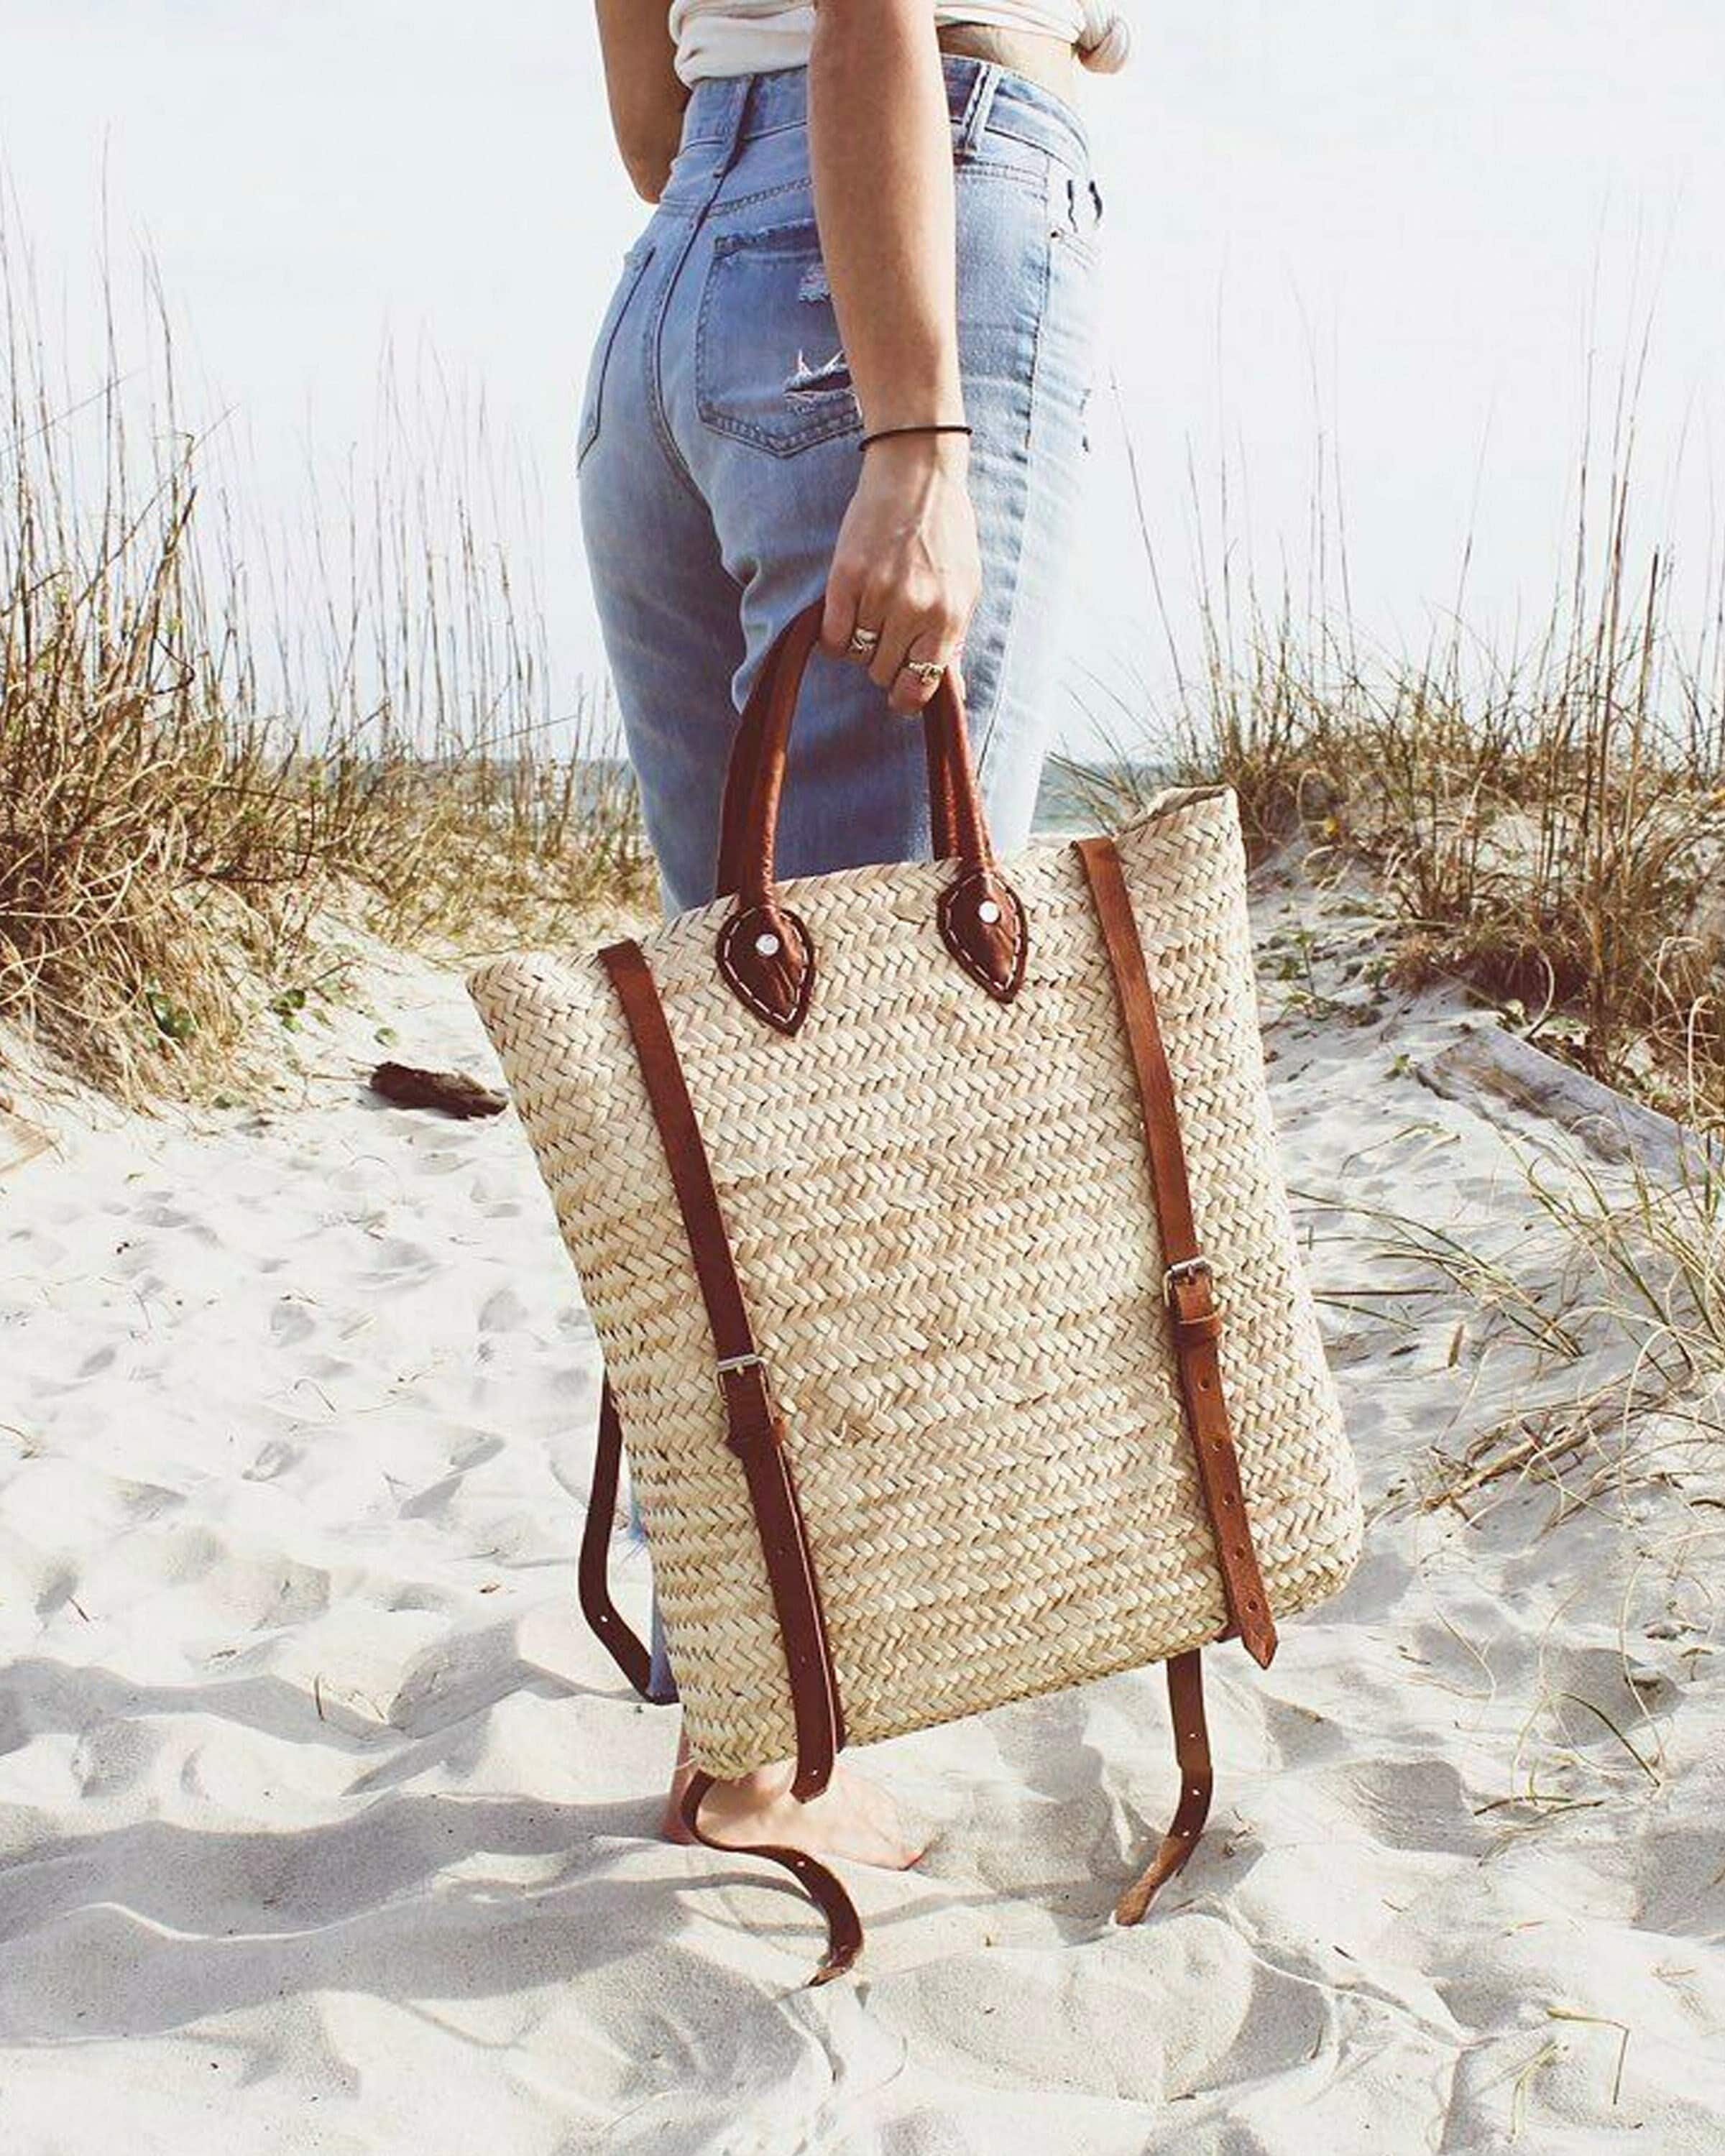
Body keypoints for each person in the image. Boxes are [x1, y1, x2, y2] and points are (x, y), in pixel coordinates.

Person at [581, 0, 1122, 1868]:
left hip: (678, 298)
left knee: (756, 1054)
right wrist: (913, 420)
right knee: (866, 1069)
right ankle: (773, 1751)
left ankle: (736, 1683)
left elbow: (655, 109)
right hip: (878, 238)